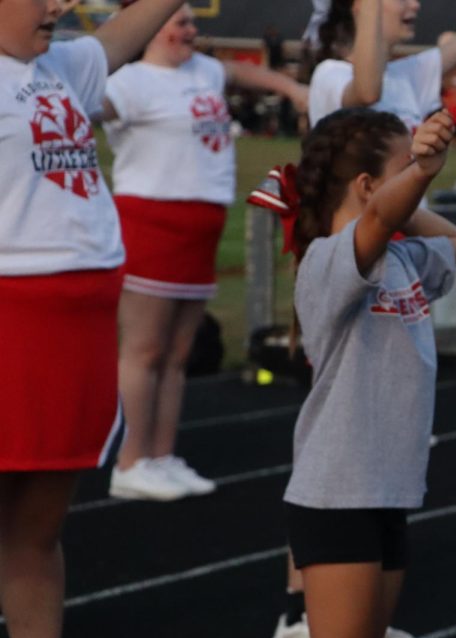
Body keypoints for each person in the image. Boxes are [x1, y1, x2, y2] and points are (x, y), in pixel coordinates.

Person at [0, 0, 189, 638]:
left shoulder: (66, 67)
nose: (59, 5)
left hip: (77, 327)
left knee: (38, 529)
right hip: (11, 319)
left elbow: (137, 19)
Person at [281, 108, 456, 638]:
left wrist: (408, 195)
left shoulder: (399, 257)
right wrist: (417, 176)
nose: (417, 191)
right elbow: (376, 224)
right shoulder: (333, 261)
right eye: (401, 180)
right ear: (367, 186)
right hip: (338, 493)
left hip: (388, 494)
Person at [101, 1, 308, 502]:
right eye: (181, 22)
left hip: (201, 224)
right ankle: (130, 460)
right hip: (151, 223)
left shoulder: (205, 71)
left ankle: (162, 454)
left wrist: (290, 87)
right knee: (144, 349)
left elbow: (238, 70)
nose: (192, 30)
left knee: (177, 354)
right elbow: (77, 107)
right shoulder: (127, 84)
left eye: (193, 20)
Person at [307, 0, 456, 129]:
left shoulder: (406, 75)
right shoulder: (329, 75)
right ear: (360, 6)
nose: (415, 4)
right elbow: (367, 92)